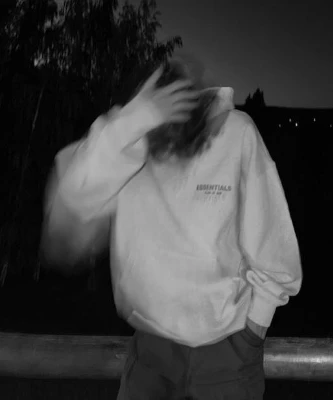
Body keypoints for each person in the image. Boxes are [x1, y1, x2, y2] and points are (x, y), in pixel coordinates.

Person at [40, 55, 302, 399]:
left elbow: (271, 238)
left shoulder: (236, 132)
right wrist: (135, 121)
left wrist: (253, 332)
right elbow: (75, 195)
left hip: (227, 350)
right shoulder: (130, 142)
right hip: (150, 351)